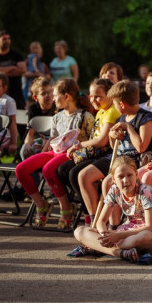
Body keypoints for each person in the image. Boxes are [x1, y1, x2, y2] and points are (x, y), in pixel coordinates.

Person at [15, 78, 94, 230]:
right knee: (21, 169)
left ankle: (66, 209)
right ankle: (41, 204)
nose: (53, 98)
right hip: (55, 152)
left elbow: (92, 139)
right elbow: (52, 138)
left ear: (67, 96)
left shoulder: (84, 116)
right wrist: (41, 155)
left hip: (73, 153)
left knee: (48, 169)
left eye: (55, 95)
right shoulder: (57, 117)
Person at [77, 81, 152, 223]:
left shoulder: (146, 118)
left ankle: (115, 224)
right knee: (92, 178)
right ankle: (108, 222)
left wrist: (129, 128)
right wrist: (112, 136)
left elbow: (141, 147)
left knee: (109, 183)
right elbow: (115, 146)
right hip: (120, 160)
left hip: (137, 162)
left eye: (114, 103)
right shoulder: (122, 117)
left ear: (122, 104)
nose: (113, 106)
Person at [71, 155, 152, 262]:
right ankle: (121, 253)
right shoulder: (114, 189)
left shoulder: (145, 191)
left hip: (148, 236)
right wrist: (105, 236)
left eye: (129, 175)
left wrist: (117, 236)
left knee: (145, 236)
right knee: (79, 231)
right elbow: (101, 221)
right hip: (126, 232)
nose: (126, 180)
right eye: (121, 177)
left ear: (136, 174)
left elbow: (151, 228)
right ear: (113, 179)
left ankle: (104, 249)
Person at [56, 78, 120, 226]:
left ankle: (93, 217)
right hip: (98, 153)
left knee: (77, 174)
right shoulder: (100, 112)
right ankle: (90, 210)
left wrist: (79, 145)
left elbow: (102, 141)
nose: (93, 99)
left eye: (98, 96)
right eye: (91, 96)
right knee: (64, 170)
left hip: (109, 155)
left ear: (109, 96)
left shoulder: (111, 112)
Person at [0, 30, 26, 108]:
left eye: (8, 38)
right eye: (4, 39)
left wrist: (1, 72)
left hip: (16, 93)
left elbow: (23, 69)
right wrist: (13, 67)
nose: (7, 41)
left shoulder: (16, 54)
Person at [20, 77, 57, 159]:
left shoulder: (58, 107)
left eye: (50, 92)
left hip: (54, 140)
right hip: (38, 140)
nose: (48, 96)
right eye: (43, 93)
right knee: (24, 151)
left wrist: (47, 143)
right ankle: (30, 171)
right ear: (35, 98)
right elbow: (30, 133)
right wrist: (27, 144)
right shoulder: (33, 109)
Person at [23, 42, 49, 107]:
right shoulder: (30, 60)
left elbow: (48, 77)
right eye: (40, 49)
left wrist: (39, 74)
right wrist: (37, 73)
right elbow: (24, 73)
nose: (41, 51)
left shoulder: (43, 65)